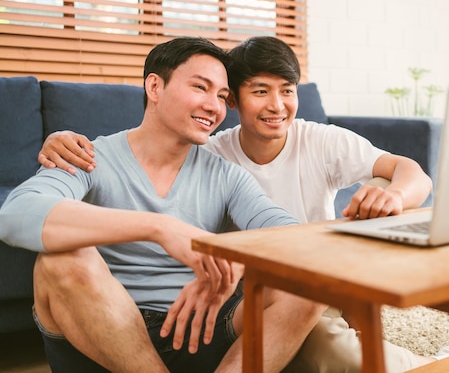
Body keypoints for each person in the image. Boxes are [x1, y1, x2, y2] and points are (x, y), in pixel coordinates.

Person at [38, 37, 449, 372]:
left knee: (337, 349)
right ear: (234, 101)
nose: (277, 106)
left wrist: (394, 195)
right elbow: (145, 154)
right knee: (337, 357)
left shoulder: (322, 140)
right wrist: (62, 139)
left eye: (287, 91)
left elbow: (413, 174)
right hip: (247, 290)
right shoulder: (211, 153)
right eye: (260, 91)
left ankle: (446, 363)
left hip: (308, 277)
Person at [0, 36, 328, 373]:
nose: (214, 107)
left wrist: (237, 262)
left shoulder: (227, 176)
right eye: (200, 88)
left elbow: (292, 236)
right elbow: (15, 214)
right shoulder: (86, 158)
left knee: (307, 282)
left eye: (221, 96)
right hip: (103, 336)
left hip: (203, 330)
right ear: (155, 87)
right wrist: (160, 228)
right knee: (61, 260)